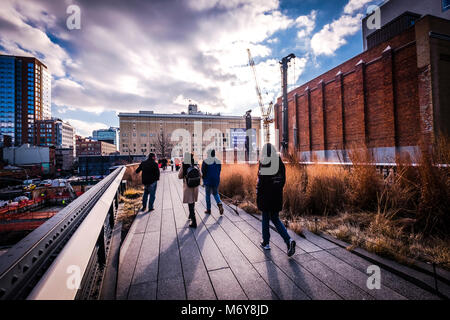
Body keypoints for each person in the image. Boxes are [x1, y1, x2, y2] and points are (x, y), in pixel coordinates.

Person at [256, 143, 296, 257]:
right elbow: (283, 181)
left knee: (265, 218)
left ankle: (266, 243)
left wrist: (258, 194)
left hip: (265, 197)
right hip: (277, 195)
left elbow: (260, 182)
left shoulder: (264, 163)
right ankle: (288, 240)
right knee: (275, 218)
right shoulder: (280, 163)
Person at [178, 152, 201, 228]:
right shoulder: (196, 163)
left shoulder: (184, 164)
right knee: (192, 201)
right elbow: (201, 174)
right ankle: (190, 215)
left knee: (190, 202)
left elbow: (180, 176)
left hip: (188, 185)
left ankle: (194, 221)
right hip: (195, 185)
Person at [201, 149, 224, 215]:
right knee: (215, 193)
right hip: (216, 180)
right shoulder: (218, 161)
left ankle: (208, 210)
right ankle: (219, 203)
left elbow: (203, 171)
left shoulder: (205, 161)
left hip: (208, 180)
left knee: (208, 195)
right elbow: (219, 170)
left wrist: (203, 179)